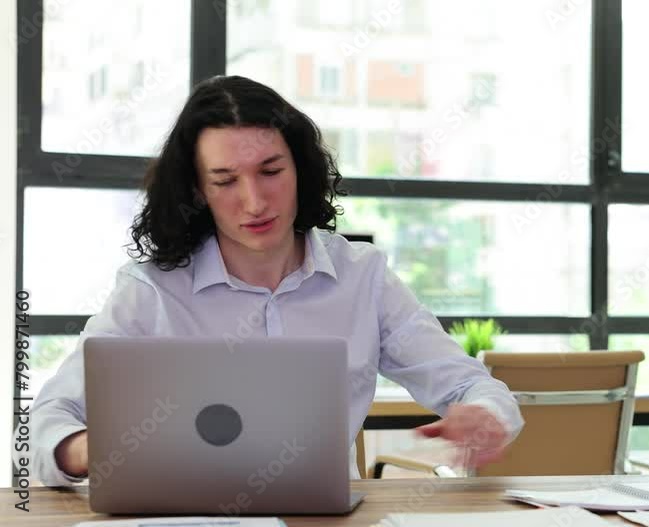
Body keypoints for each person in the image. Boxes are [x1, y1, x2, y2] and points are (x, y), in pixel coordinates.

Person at [21, 75, 524, 485]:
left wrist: (484, 416)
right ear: (198, 190)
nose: (255, 202)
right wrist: (90, 447)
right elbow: (46, 424)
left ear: (300, 170)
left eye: (271, 171)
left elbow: (472, 385)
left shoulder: (362, 276)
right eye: (225, 181)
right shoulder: (150, 290)